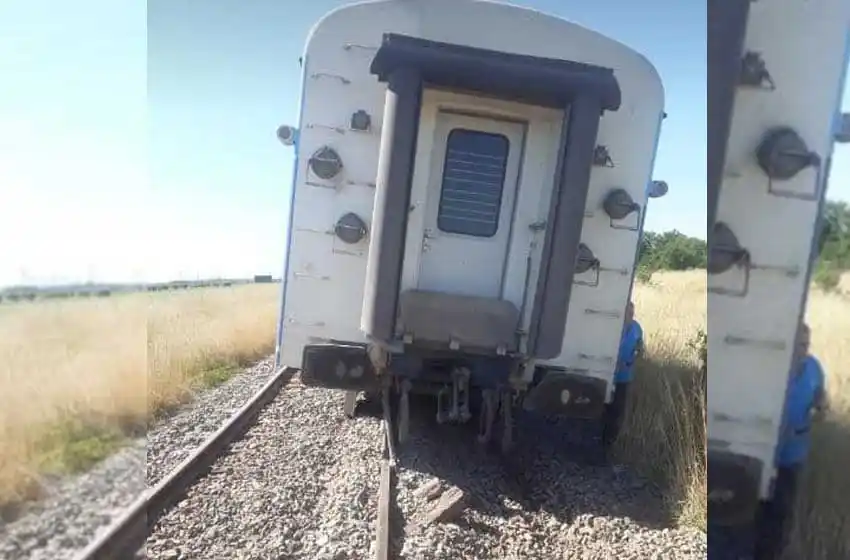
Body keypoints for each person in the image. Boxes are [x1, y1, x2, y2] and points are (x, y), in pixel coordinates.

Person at [754, 322, 828, 559]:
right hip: (765, 454)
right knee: (756, 510)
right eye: (799, 344)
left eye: (807, 344)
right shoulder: (773, 368)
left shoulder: (814, 368)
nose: (803, 350)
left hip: (793, 457)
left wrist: (820, 408)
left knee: (782, 513)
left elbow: (821, 400)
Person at [601, 301, 644, 450]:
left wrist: (634, 359)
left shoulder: (637, 328)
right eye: (627, 313)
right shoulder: (613, 327)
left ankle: (609, 443)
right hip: (607, 374)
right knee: (603, 407)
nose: (630, 316)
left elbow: (640, 348)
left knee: (617, 410)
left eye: (632, 313)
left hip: (624, 377)